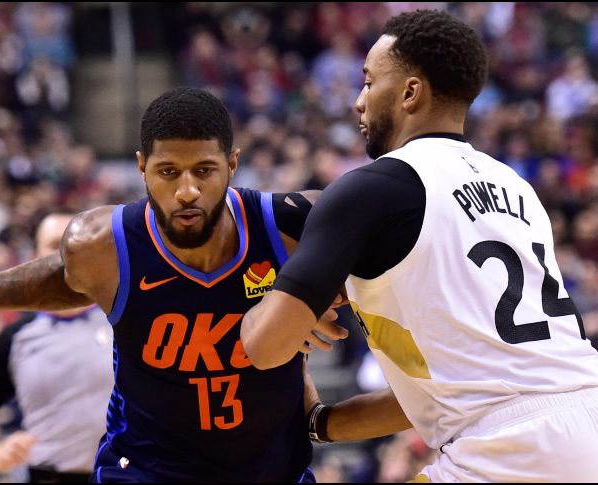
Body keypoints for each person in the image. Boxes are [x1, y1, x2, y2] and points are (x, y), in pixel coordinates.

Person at [0, 87, 345, 482]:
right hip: (145, 470)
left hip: (270, 470)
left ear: (233, 164)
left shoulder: (293, 225)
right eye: (167, 172)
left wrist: (328, 294)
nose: (187, 190)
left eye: (204, 170)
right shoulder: (102, 244)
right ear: (141, 168)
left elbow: (390, 272)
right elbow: (65, 278)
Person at [240, 9, 598, 483]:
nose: (358, 102)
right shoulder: (517, 187)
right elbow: (456, 388)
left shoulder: (370, 189)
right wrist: (319, 423)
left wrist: (254, 305)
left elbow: (264, 348)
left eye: (368, 83)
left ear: (410, 92)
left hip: (508, 451)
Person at [0, 210, 113, 483]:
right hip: (48, 476)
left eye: (78, 243)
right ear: (33, 261)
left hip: (121, 474)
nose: (69, 252)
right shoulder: (16, 337)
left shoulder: (121, 319)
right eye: (56, 244)